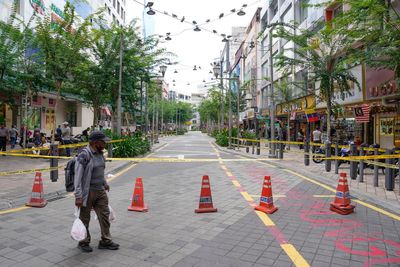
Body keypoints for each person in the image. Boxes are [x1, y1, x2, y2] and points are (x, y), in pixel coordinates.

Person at [74, 131, 119, 253]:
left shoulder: (100, 154)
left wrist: (104, 183)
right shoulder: (84, 155)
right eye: (102, 141)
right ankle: (83, 241)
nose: (104, 144)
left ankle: (106, 241)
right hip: (87, 192)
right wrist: (78, 196)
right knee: (85, 218)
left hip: (100, 190)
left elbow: (100, 171)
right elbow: (78, 177)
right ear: (95, 142)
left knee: (104, 215)